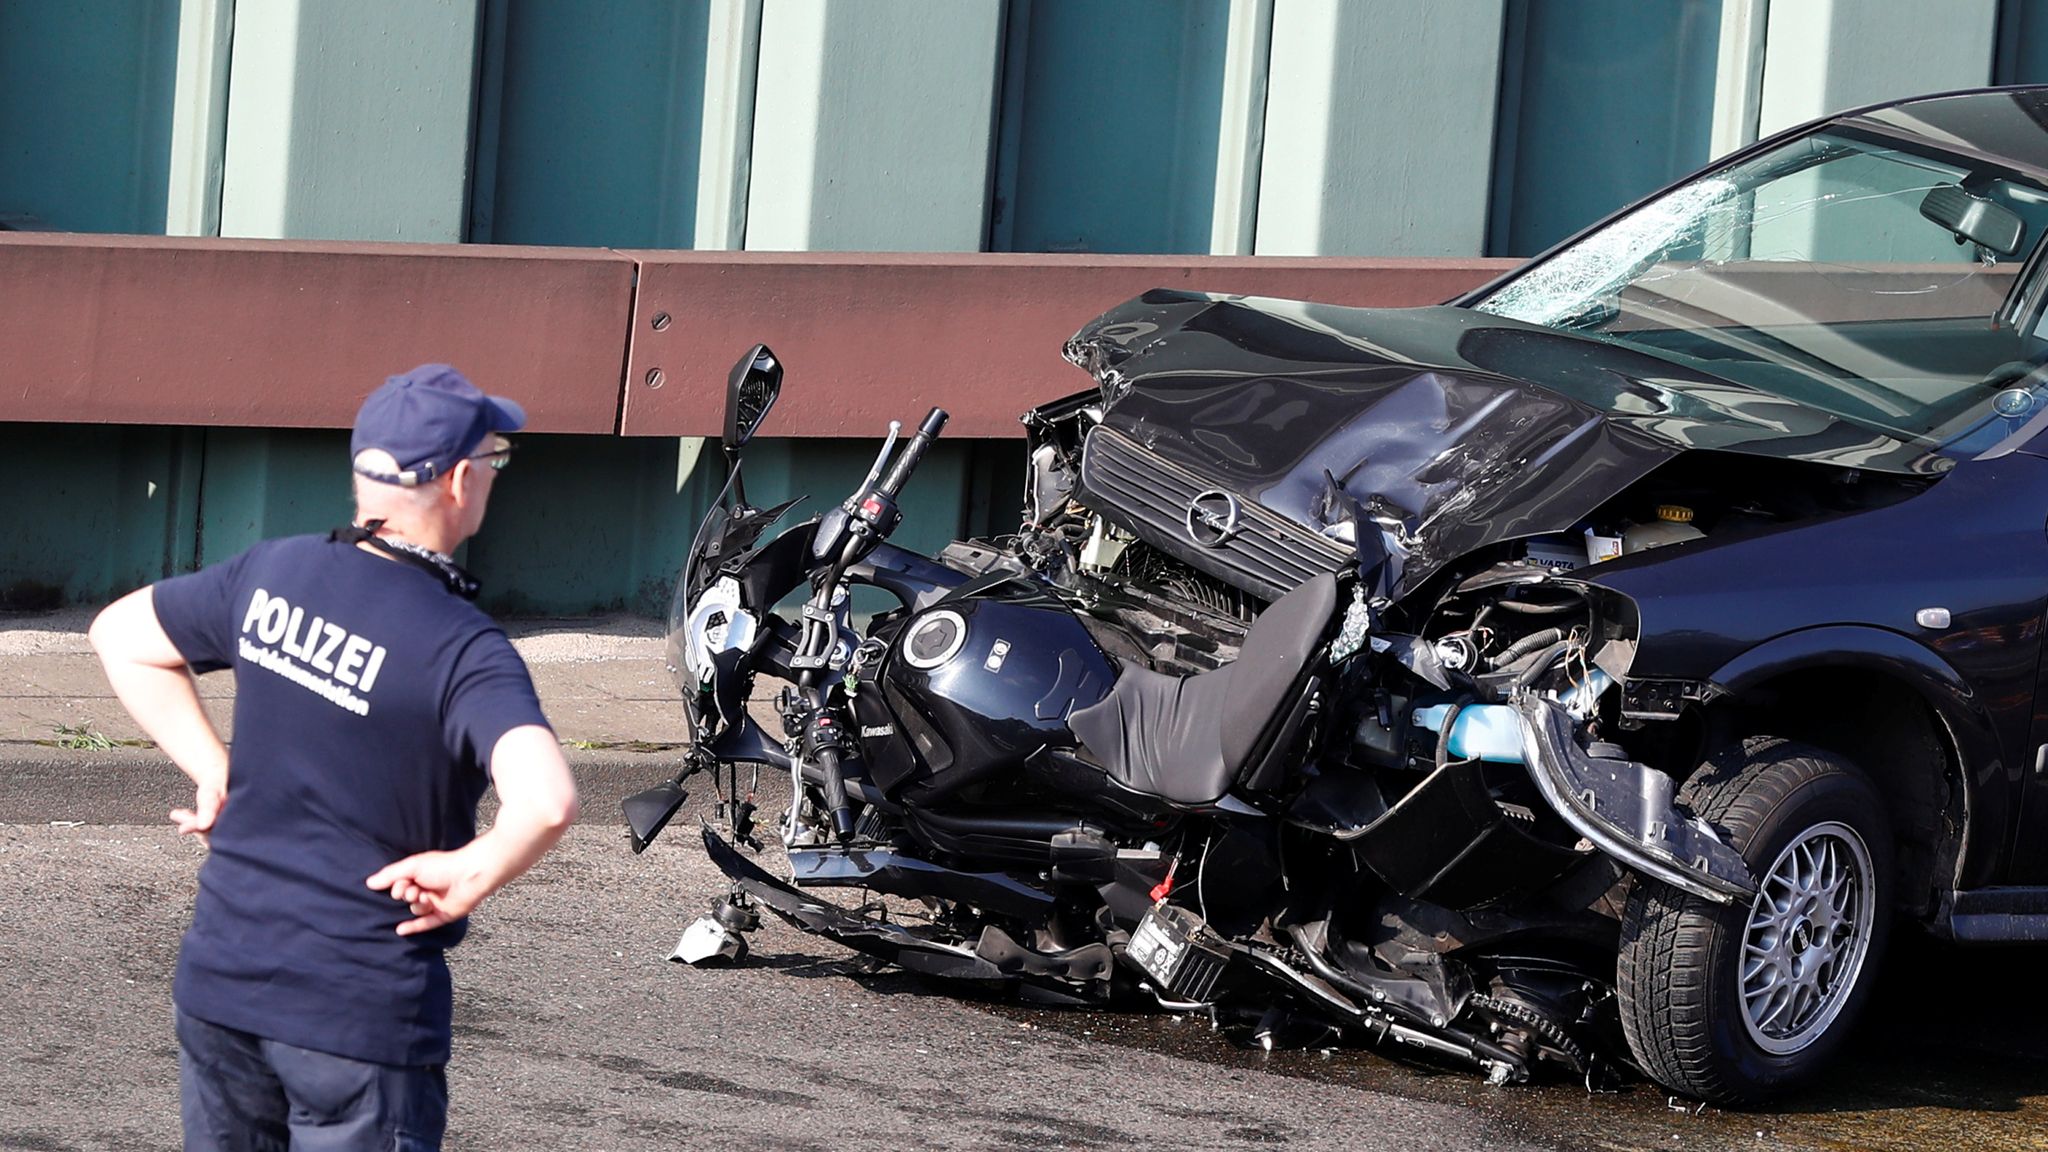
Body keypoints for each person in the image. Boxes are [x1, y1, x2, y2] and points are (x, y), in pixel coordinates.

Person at [90, 364, 579, 1151]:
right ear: (459, 481)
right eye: (496, 459)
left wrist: (215, 769)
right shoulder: (462, 648)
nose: (494, 476)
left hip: (222, 982)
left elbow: (121, 635)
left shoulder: (271, 571)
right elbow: (548, 800)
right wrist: (476, 870)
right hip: (357, 1017)